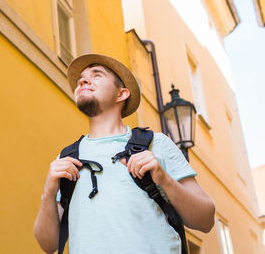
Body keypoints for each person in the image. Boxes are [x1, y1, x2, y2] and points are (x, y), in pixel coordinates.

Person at [33, 54, 215, 254]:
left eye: (97, 75)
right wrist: (49, 190)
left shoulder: (156, 144)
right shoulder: (67, 158)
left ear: (121, 94)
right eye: (81, 79)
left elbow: (205, 220)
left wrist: (164, 179)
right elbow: (47, 245)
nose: (83, 80)